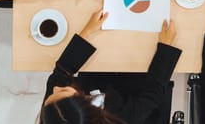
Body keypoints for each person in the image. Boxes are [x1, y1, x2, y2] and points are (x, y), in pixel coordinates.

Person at [40, 10, 181, 124]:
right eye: (63, 90)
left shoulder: (56, 116)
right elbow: (152, 96)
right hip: (132, 86)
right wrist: (166, 46)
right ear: (83, 104)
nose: (55, 88)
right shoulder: (122, 118)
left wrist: (87, 32)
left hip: (97, 75)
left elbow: (59, 74)